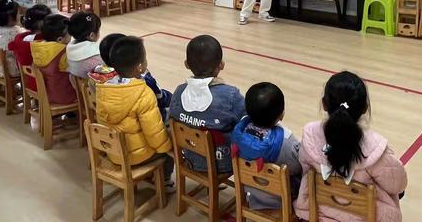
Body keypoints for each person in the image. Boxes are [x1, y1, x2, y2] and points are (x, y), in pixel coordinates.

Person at [294, 71, 407, 222]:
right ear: (365, 108)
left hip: (319, 212)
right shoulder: (375, 148)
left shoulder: (310, 134)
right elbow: (398, 186)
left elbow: (304, 168)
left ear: (324, 104)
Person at [96, 36, 173, 182]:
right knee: (167, 145)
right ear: (140, 67)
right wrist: (168, 147)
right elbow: (154, 134)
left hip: (113, 152)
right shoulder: (143, 93)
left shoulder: (104, 89)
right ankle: (165, 181)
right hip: (137, 155)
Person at [169, 34, 245, 173]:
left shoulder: (179, 91)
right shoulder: (230, 95)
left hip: (189, 158)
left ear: (186, 64)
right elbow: (248, 121)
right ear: (221, 65)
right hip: (223, 163)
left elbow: (171, 119)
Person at [231, 82, 302, 209]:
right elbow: (298, 166)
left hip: (251, 191)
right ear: (282, 115)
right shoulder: (286, 141)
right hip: (281, 199)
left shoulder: (239, 132)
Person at [98, 32, 172, 120]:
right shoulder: (145, 83)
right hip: (142, 126)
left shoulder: (102, 84)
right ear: (139, 66)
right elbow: (161, 100)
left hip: (113, 129)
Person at [31, 14, 76, 105]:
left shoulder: (38, 48)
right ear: (60, 39)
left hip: (45, 94)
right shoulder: (62, 53)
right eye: (69, 34)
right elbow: (75, 70)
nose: (71, 37)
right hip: (63, 96)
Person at [9, 4, 51, 92]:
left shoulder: (22, 39)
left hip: (28, 81)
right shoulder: (43, 42)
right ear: (42, 23)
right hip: (44, 84)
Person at [66, 11, 103, 78]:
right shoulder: (97, 56)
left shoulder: (69, 49)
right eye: (99, 30)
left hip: (78, 87)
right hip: (93, 87)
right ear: (92, 35)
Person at [0, 0, 21, 78]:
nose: (19, 15)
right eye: (18, 13)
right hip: (11, 69)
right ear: (11, 17)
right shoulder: (15, 33)